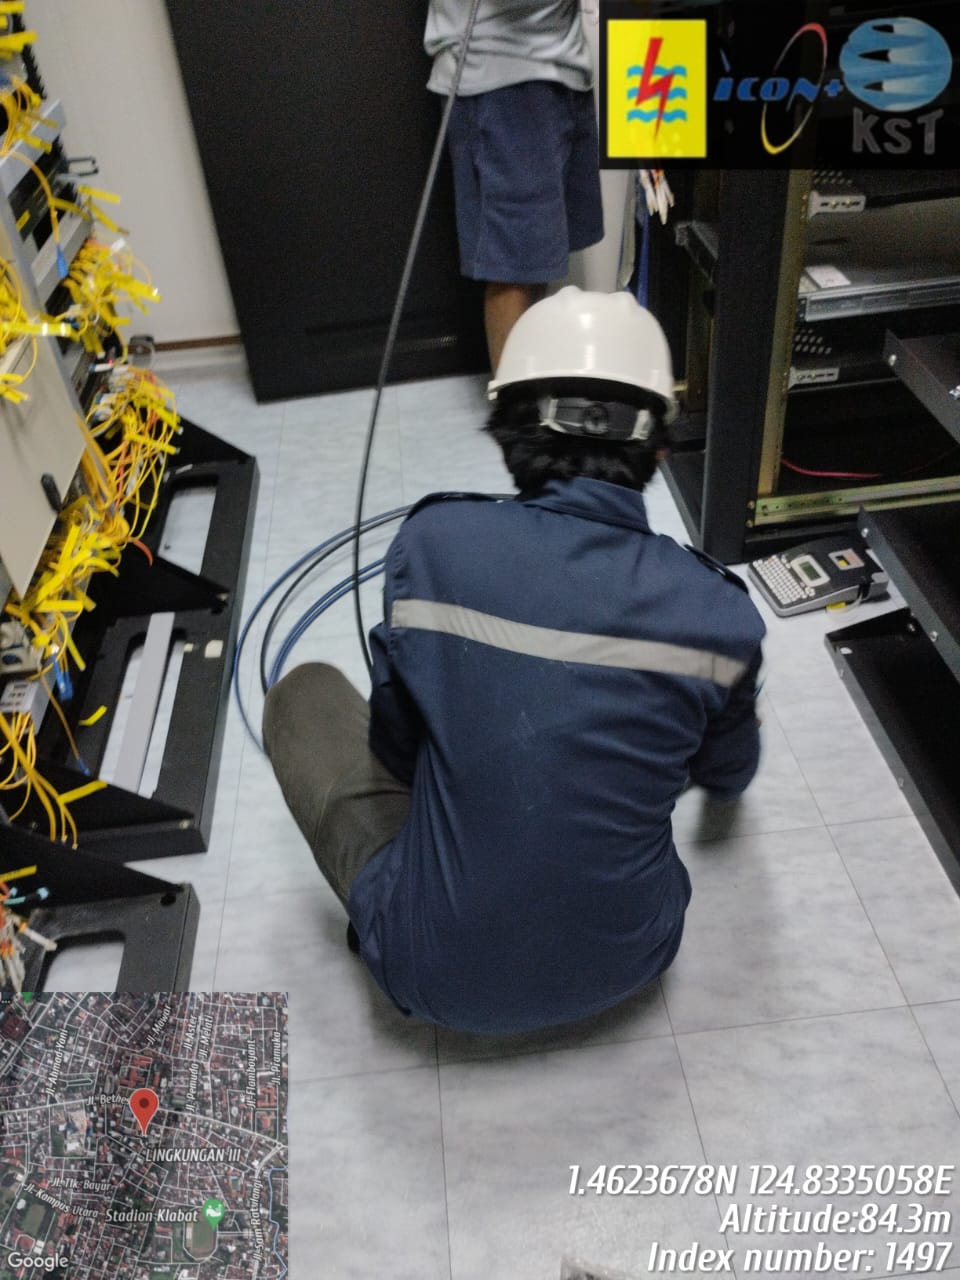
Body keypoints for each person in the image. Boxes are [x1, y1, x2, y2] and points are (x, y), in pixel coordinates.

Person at [263, 288, 765, 1036]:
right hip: (635, 957)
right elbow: (729, 774)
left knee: (305, 692)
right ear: (659, 449)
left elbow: (397, 751)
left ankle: (402, 920)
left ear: (508, 432)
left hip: (432, 975)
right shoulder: (719, 612)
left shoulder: (433, 545)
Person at [424, 0, 605, 369]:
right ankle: (516, 401)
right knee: (514, 267)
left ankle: (530, 381)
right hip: (502, 73)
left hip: (559, 65)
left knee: (536, 261)